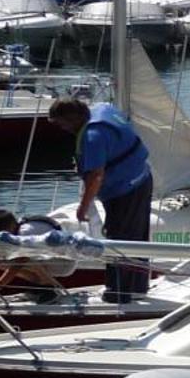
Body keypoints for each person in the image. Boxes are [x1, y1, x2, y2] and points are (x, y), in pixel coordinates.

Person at [49, 97, 152, 302]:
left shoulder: (93, 136)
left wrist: (83, 208)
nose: (62, 129)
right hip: (143, 178)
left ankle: (118, 293)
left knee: (118, 239)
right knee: (137, 236)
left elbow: (96, 176)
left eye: (62, 124)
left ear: (72, 119)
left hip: (124, 190)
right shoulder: (103, 109)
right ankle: (138, 287)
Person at [0, 208, 71, 296]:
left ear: (11, 226)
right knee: (1, 259)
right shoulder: (16, 229)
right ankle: (44, 284)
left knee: (23, 260)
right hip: (48, 257)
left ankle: (51, 286)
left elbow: (19, 263)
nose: (1, 238)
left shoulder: (25, 233)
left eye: (1, 234)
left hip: (63, 262)